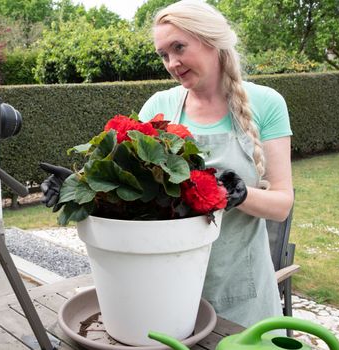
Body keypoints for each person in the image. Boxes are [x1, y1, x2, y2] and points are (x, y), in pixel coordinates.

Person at [41, 0, 294, 329]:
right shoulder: (159, 105)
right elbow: (135, 194)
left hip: (239, 291)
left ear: (211, 39)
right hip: (162, 286)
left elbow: (281, 204)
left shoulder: (266, 103)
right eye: (163, 54)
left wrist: (243, 194)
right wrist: (80, 187)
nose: (172, 63)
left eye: (179, 48)